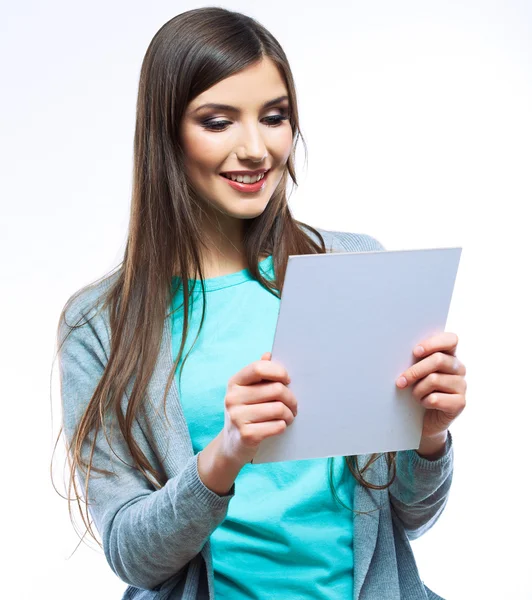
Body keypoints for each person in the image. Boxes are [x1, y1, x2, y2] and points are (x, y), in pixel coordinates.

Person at [55, 7, 467, 600]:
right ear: (166, 132)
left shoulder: (352, 266)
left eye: (274, 117)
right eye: (218, 121)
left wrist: (428, 438)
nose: (255, 149)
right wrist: (225, 455)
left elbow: (411, 518)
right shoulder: (99, 324)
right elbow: (133, 556)